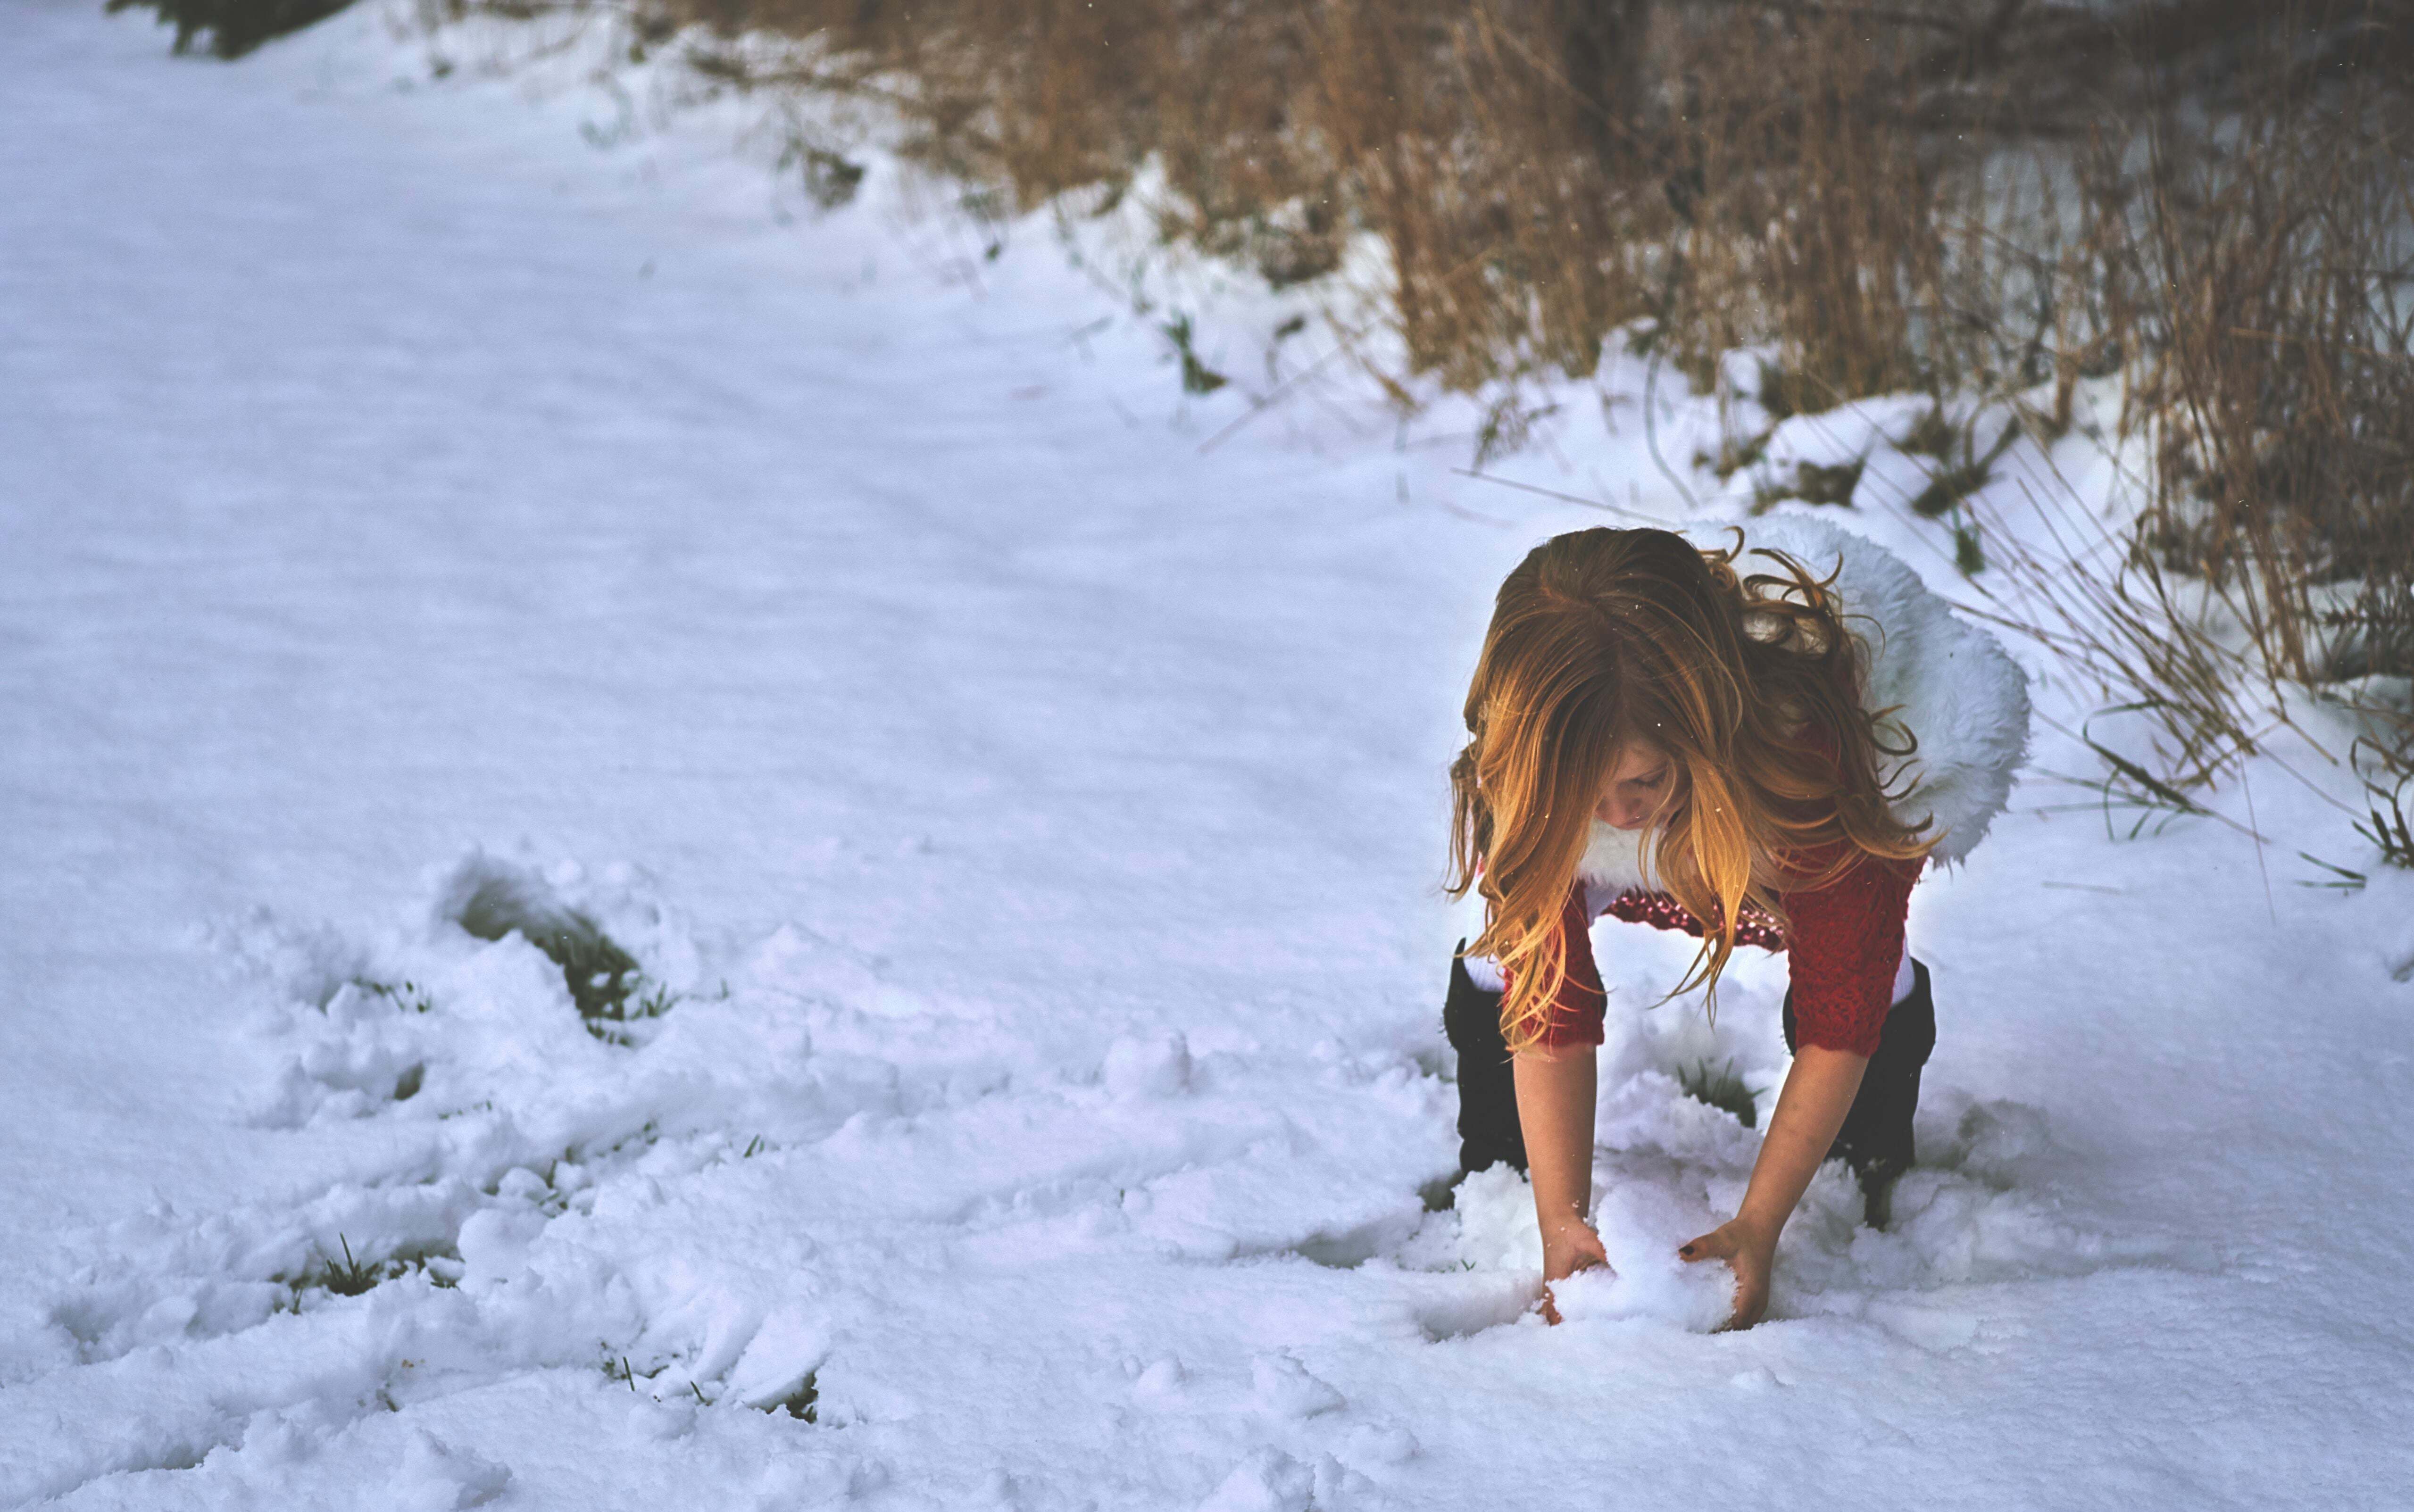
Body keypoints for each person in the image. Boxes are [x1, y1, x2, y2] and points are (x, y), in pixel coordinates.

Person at [1441, 516, 2029, 1329]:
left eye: (1641, 780)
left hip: (1774, 821)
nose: (1619, 812)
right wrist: (1557, 1220)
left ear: (1698, 727)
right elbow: (1551, 1011)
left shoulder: (1811, 777)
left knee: (1863, 980)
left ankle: (1861, 1167)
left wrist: (1759, 1225)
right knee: (1505, 967)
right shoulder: (1541, 781)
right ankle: (1496, 1168)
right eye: (1591, 789)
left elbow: (1836, 1022)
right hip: (1681, 803)